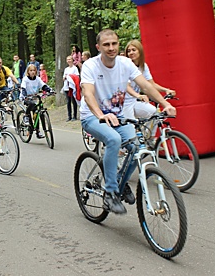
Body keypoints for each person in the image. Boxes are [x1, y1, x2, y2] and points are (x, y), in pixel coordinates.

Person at [80, 29, 176, 214]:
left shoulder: (125, 63)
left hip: (118, 116)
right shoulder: (91, 66)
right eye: (106, 45)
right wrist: (101, 114)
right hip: (92, 116)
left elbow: (146, 85)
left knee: (138, 149)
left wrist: (164, 104)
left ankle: (119, 182)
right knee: (114, 140)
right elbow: (88, 93)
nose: (111, 48)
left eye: (114, 44)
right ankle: (109, 193)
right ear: (98, 47)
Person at [123, 39, 176, 120]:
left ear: (140, 51)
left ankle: (147, 133)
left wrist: (165, 90)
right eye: (129, 51)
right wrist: (138, 95)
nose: (131, 53)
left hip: (134, 101)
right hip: (124, 103)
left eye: (134, 50)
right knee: (131, 127)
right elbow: (126, 86)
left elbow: (151, 84)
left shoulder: (143, 66)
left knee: (154, 113)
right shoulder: (125, 66)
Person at [20, 64, 52, 138]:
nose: (32, 72)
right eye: (31, 70)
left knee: (36, 114)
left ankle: (38, 132)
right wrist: (24, 96)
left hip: (35, 98)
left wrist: (50, 90)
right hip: (26, 97)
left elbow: (43, 85)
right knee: (31, 104)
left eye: (34, 70)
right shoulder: (25, 79)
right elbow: (23, 88)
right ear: (28, 72)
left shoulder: (37, 79)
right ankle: (26, 116)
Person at [62, 56, 79, 121]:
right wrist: (66, 77)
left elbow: (77, 77)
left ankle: (74, 116)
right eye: (67, 59)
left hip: (72, 87)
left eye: (70, 59)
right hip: (66, 87)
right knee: (68, 102)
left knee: (73, 101)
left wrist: (70, 77)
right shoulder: (66, 69)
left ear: (72, 60)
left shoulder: (75, 68)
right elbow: (63, 78)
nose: (68, 60)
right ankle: (69, 116)